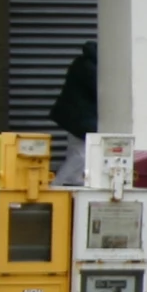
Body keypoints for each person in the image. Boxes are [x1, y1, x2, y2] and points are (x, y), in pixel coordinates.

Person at [48, 39, 99, 187]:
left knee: (77, 152)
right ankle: (57, 187)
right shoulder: (90, 67)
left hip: (77, 118)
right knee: (81, 154)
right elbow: (100, 91)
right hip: (82, 119)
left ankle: (73, 185)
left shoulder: (85, 62)